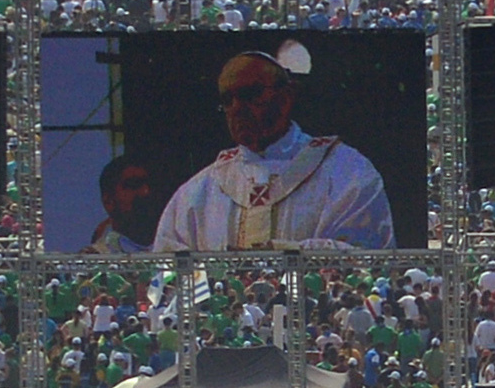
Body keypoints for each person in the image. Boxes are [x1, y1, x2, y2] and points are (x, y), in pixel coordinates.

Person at [151, 46, 398, 251]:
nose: (237, 107)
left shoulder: (347, 171)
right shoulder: (198, 191)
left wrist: (285, 254)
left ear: (287, 95)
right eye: (228, 100)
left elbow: (371, 260)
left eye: (250, 94)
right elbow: (167, 271)